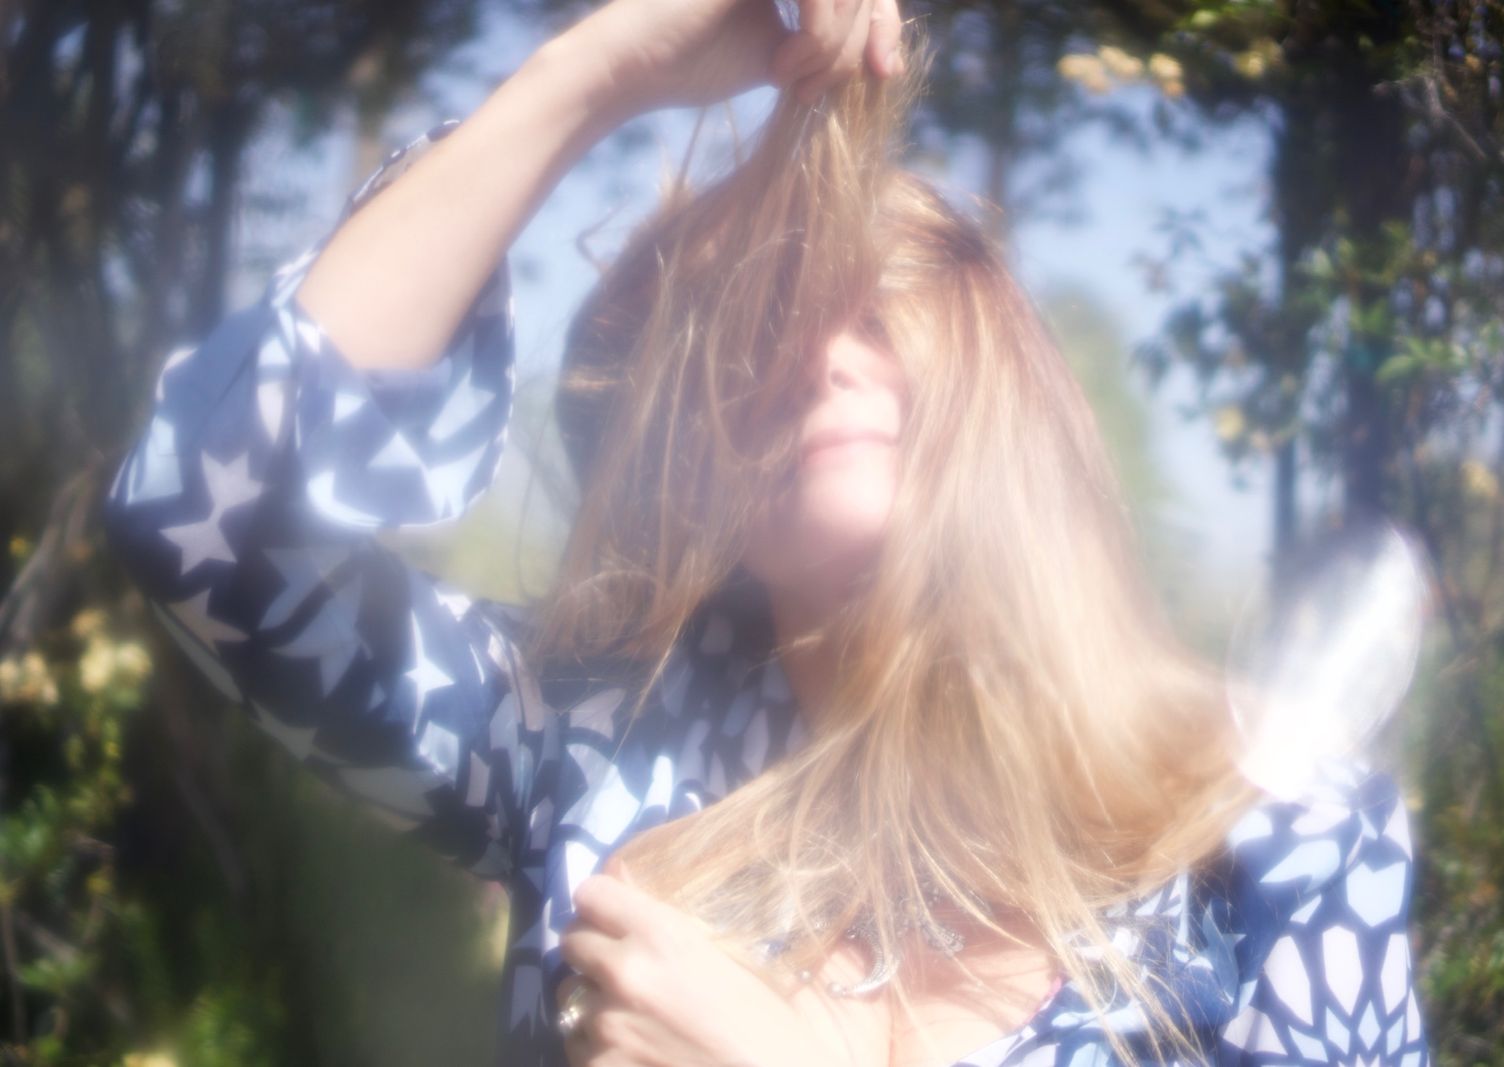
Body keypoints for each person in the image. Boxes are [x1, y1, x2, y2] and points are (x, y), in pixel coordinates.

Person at [101, 0, 1432, 1063]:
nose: (804, 355)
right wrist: (598, 72)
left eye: (869, 304)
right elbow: (203, 522)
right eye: (741, 341)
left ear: (1005, 376)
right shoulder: (588, 748)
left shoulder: (1275, 834)